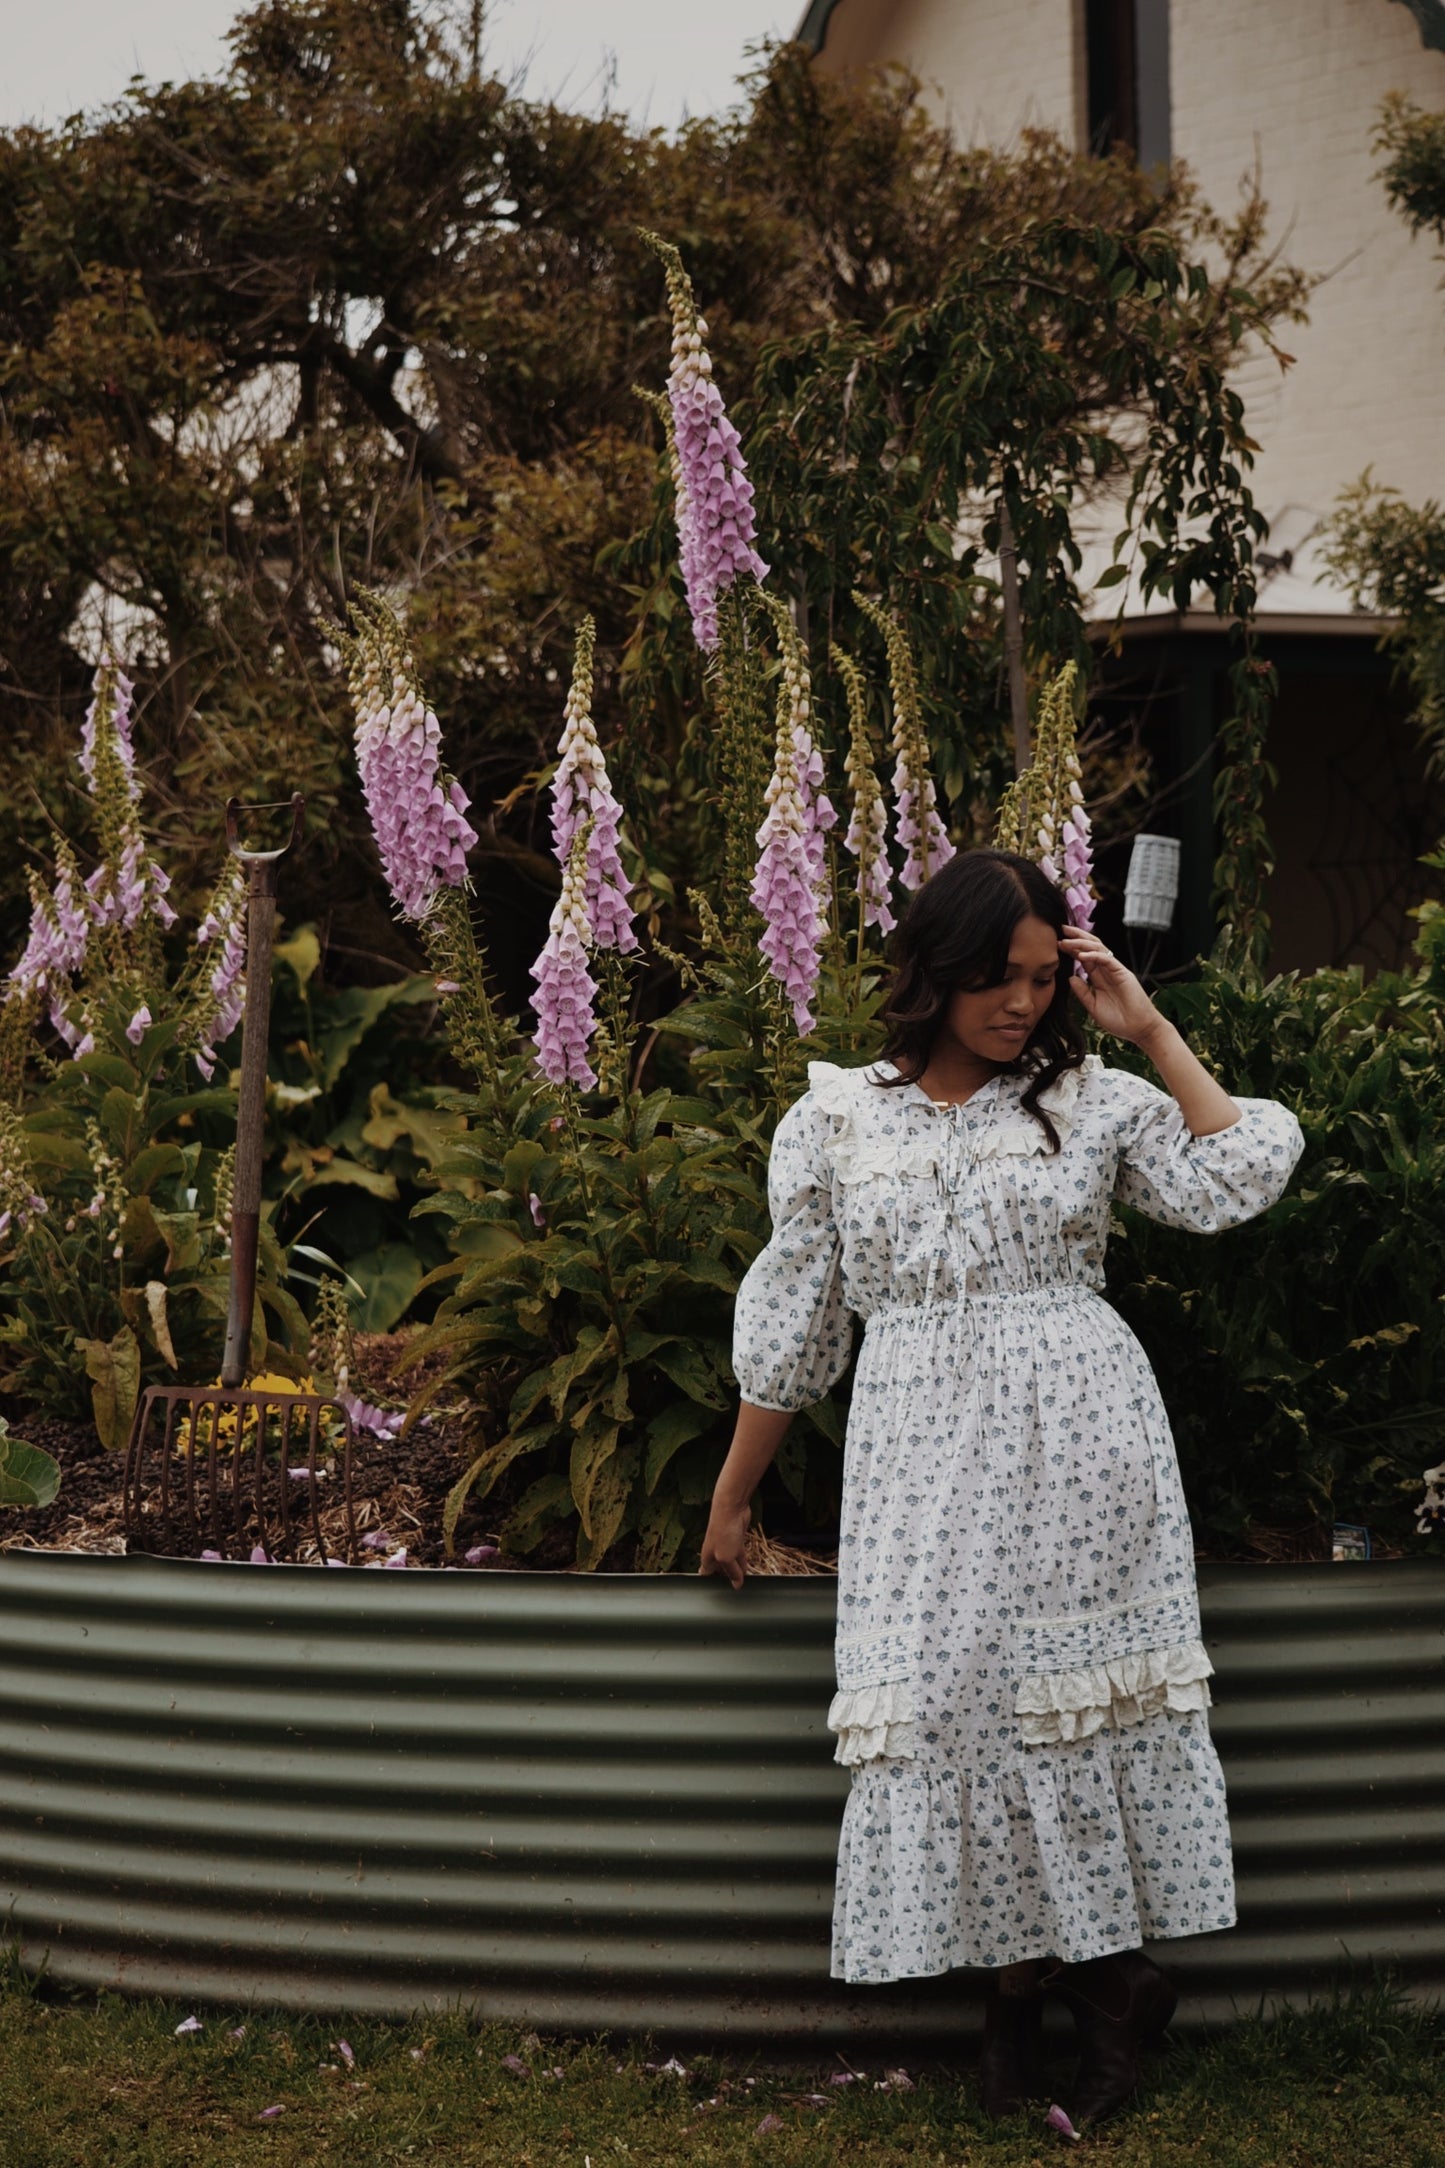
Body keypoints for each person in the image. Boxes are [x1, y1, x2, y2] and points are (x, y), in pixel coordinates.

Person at [701, 848, 1304, 2129]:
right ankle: (1047, 1989)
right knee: (949, 1701)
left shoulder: (1088, 1099)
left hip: (1078, 1440)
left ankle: (1077, 2004)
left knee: (1060, 1709)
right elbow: (796, 1327)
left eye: (1041, 978)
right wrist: (732, 1494)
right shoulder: (834, 1121)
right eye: (995, 977)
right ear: (932, 970)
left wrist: (1144, 1026)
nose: (1021, 1004)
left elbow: (1238, 1170)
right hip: (917, 1448)